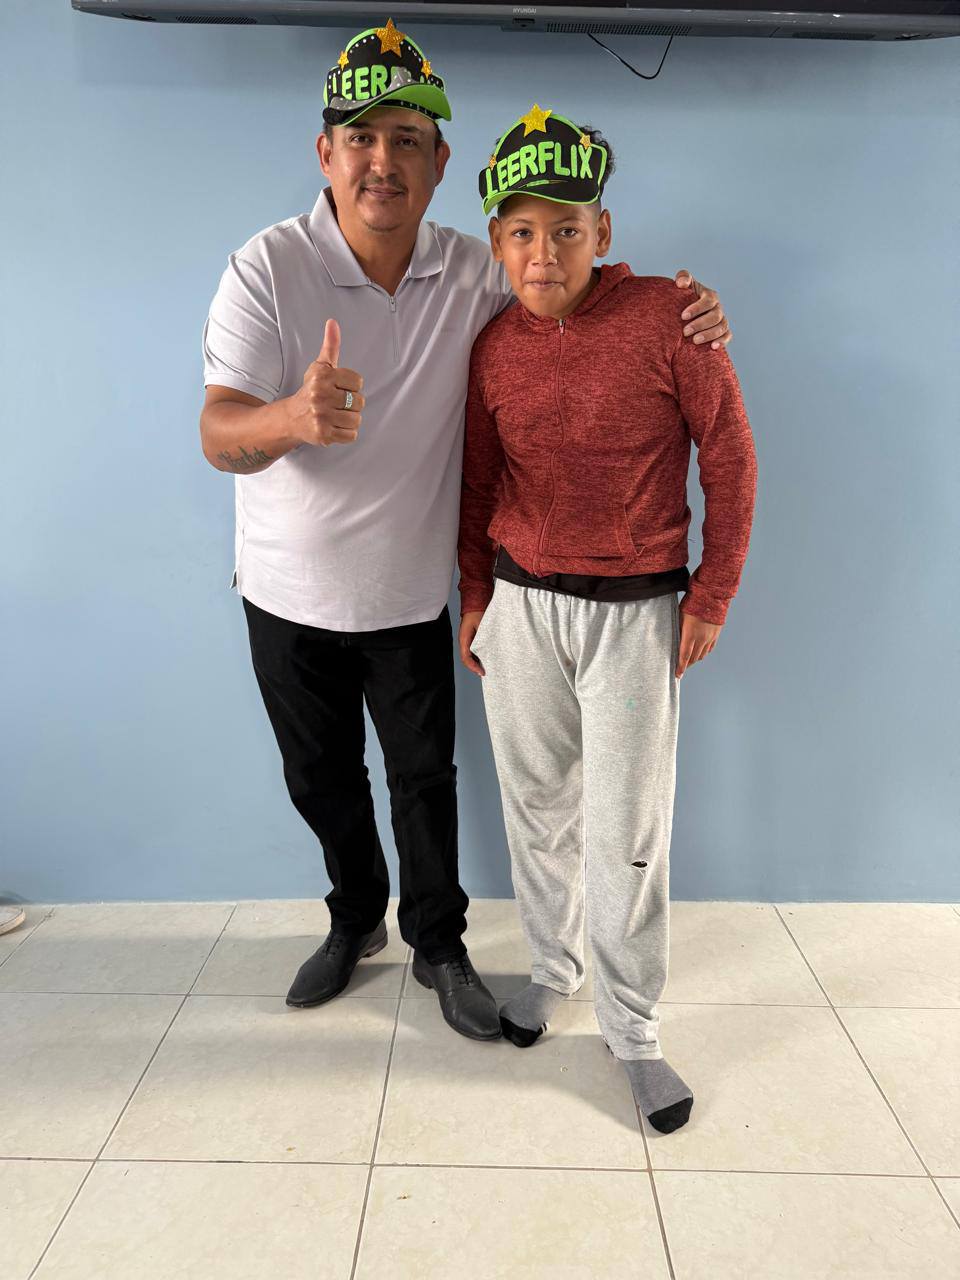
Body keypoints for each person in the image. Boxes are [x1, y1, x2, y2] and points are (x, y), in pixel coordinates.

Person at [199, 21, 734, 1042]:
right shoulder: (264, 268)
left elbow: (566, 276)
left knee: (423, 783)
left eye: (407, 139)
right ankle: (354, 917)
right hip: (284, 590)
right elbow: (217, 430)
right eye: (362, 138)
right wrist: (291, 419)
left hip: (410, 594)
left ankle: (438, 944)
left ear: (440, 162)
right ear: (325, 153)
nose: (383, 161)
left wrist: (689, 309)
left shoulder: (478, 267)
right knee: (320, 779)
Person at [458, 106, 757, 1127]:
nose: (544, 253)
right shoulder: (493, 347)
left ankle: (633, 1030)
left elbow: (730, 458)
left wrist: (712, 593)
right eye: (523, 232)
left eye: (567, 230)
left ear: (604, 232)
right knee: (537, 807)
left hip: (634, 613)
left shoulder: (673, 319)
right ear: (498, 241)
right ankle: (553, 968)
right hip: (521, 609)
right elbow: (477, 482)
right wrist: (476, 596)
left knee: (627, 826)